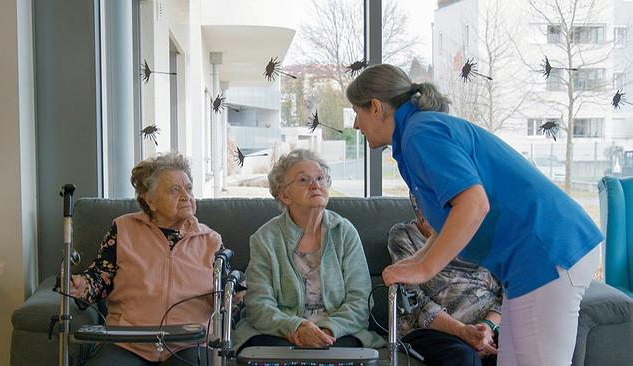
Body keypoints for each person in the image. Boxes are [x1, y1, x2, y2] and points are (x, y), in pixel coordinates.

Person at [346, 64, 602, 366]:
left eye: (356, 113)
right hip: (531, 260)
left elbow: (473, 205)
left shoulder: (421, 133)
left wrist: (425, 268)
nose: (355, 125)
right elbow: (449, 219)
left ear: (375, 107)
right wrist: (415, 261)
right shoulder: (419, 132)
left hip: (547, 252)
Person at [69, 152, 223, 365]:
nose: (186, 196)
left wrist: (238, 294)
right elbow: (100, 278)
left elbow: (225, 291)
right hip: (128, 341)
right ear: (150, 201)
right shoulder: (123, 229)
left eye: (188, 188)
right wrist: (82, 285)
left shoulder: (210, 240)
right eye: (174, 190)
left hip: (189, 342)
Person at [233, 149, 385, 351]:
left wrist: (329, 330)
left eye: (320, 178)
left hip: (338, 332)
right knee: (272, 351)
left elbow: (361, 301)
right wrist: (296, 327)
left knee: (341, 351)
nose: (316, 185)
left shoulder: (344, 232)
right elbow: (259, 304)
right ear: (284, 195)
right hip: (280, 331)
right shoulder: (265, 239)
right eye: (303, 180)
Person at [389, 192, 503, 366]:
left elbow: (507, 291)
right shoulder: (404, 235)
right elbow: (413, 301)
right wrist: (463, 332)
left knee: (515, 350)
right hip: (433, 330)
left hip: (489, 327)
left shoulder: (482, 232)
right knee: (464, 358)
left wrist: (487, 328)